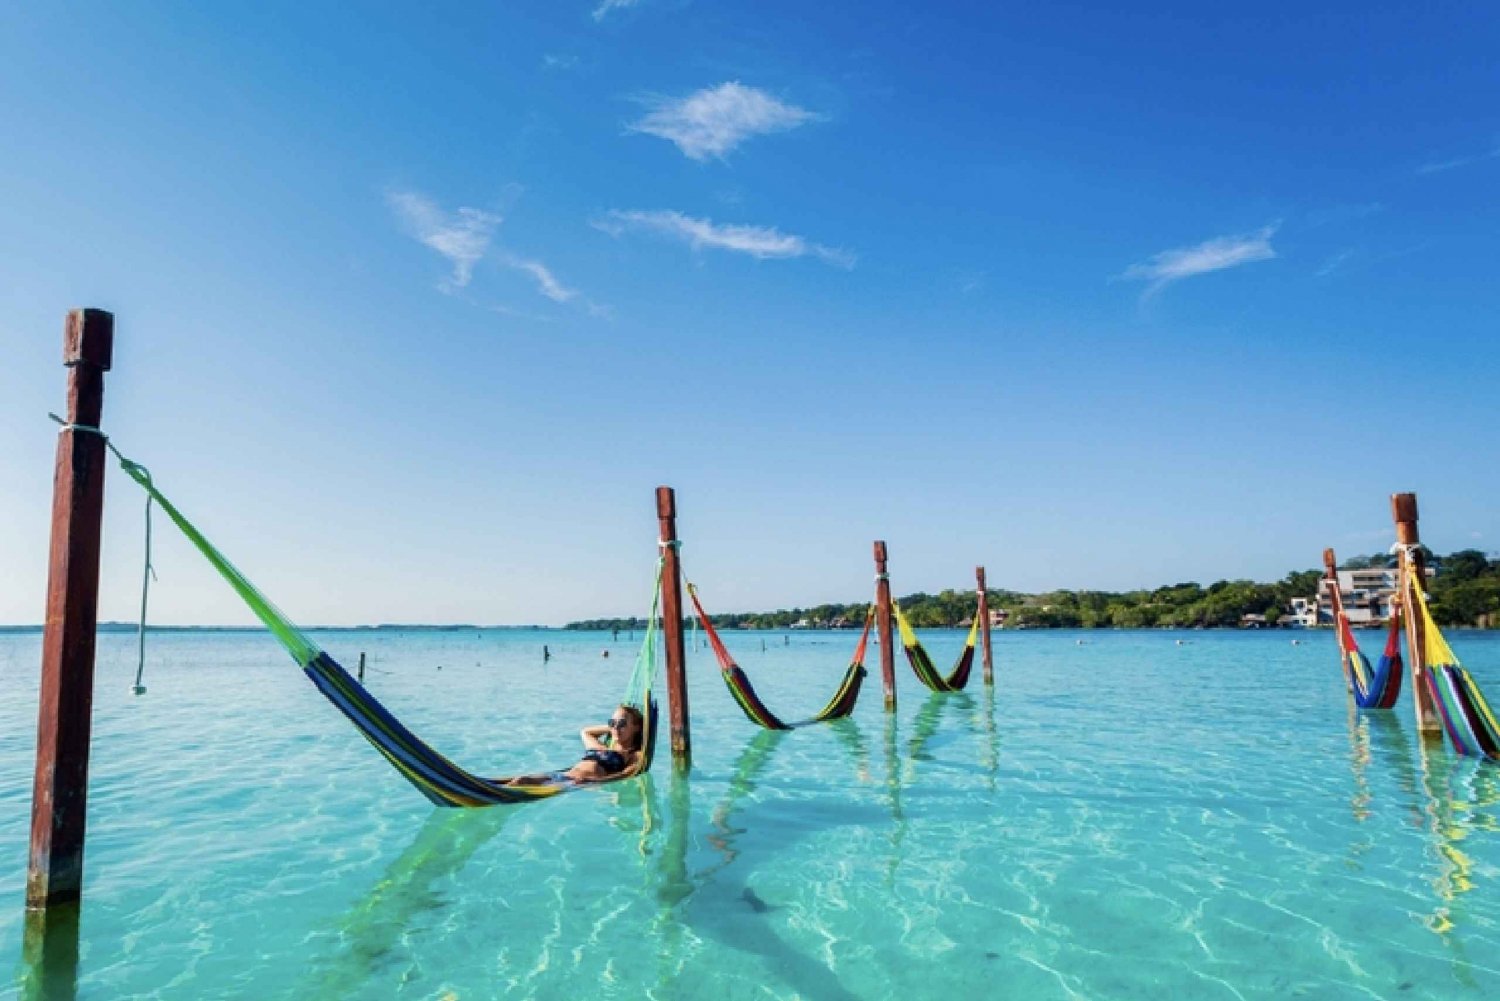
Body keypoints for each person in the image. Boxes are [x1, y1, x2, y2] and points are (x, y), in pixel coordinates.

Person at [505, 704, 645, 786]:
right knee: (520, 780)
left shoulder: (632, 754)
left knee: (521, 781)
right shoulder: (600, 747)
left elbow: (627, 774)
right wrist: (612, 727)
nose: (616, 727)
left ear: (636, 727)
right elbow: (585, 732)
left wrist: (593, 781)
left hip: (575, 784)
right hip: (561, 776)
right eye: (612, 723)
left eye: (622, 724)